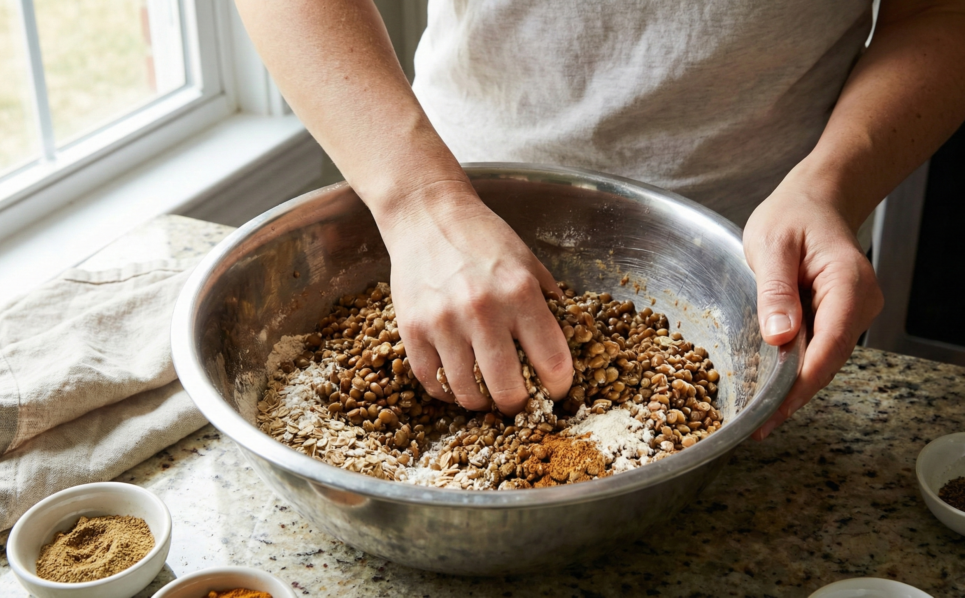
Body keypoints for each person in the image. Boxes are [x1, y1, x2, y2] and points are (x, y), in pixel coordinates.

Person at [235, 0, 965, 439]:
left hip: (762, 265)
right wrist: (422, 203)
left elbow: (938, 12)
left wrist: (828, 188)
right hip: (440, 220)